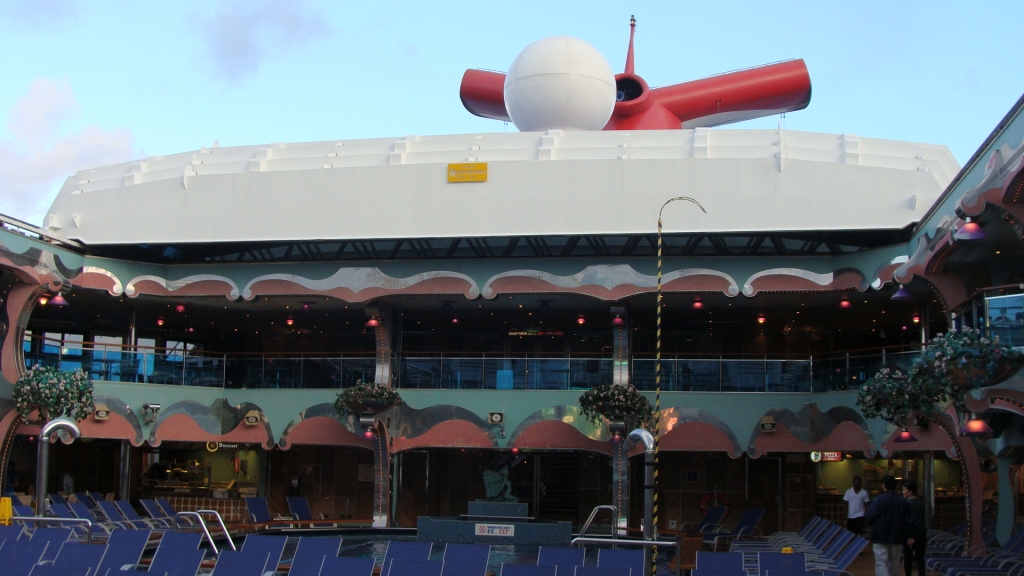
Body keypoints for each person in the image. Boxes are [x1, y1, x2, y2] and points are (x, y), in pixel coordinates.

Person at [866, 475, 912, 576]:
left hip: (880, 536)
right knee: (895, 564)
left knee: (881, 563)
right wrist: (909, 535)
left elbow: (870, 518)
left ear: (883, 486)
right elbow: (908, 520)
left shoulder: (878, 500)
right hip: (897, 537)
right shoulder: (903, 501)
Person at [903, 480, 927, 576]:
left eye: (905, 490)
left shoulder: (906, 504)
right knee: (920, 558)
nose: (903, 492)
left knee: (908, 559)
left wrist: (909, 536)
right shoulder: (921, 503)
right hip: (921, 533)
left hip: (910, 534)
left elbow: (906, 520)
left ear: (910, 491)